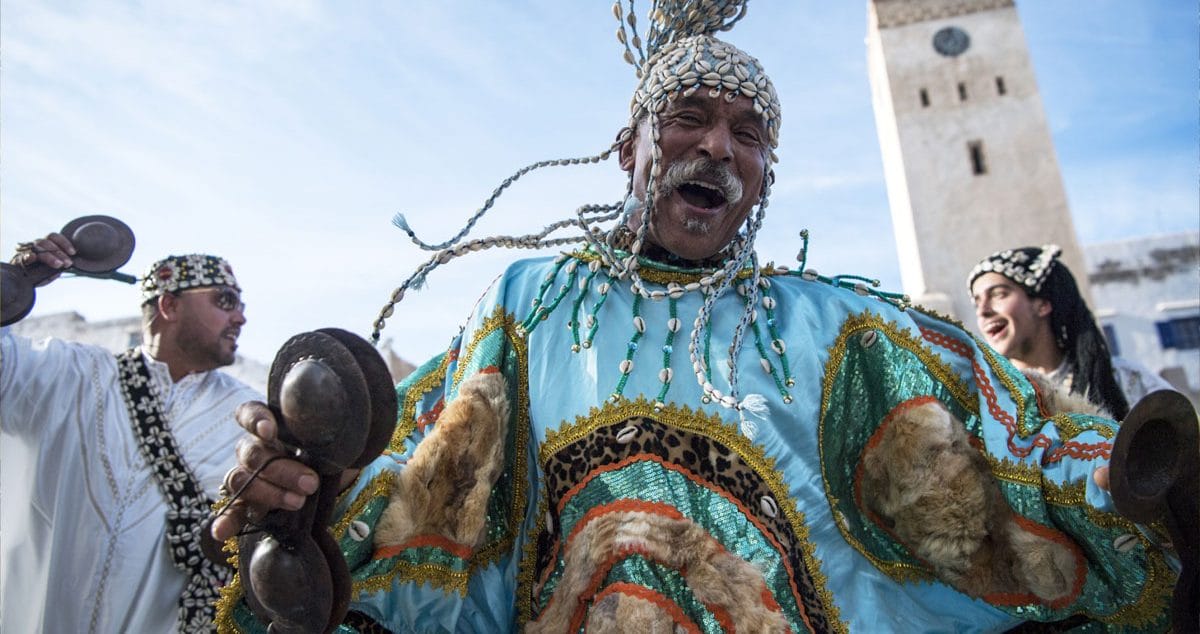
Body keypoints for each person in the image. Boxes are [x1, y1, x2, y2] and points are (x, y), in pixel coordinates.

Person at [212, 2, 1176, 631]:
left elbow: (1013, 449)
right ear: (627, 147)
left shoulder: (838, 328)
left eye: (748, 132)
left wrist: (1143, 476)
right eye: (689, 117)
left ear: (763, 175)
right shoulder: (529, 306)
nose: (718, 144)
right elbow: (420, 494)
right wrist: (310, 490)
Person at [0, 240, 262, 633]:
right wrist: (13, 285)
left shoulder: (252, 417)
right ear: (169, 306)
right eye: (225, 300)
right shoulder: (67, 375)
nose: (241, 317)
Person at [969, 244, 1174, 420]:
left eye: (998, 294)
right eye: (976, 302)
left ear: (1042, 304)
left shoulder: (1124, 380)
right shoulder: (983, 403)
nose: (983, 311)